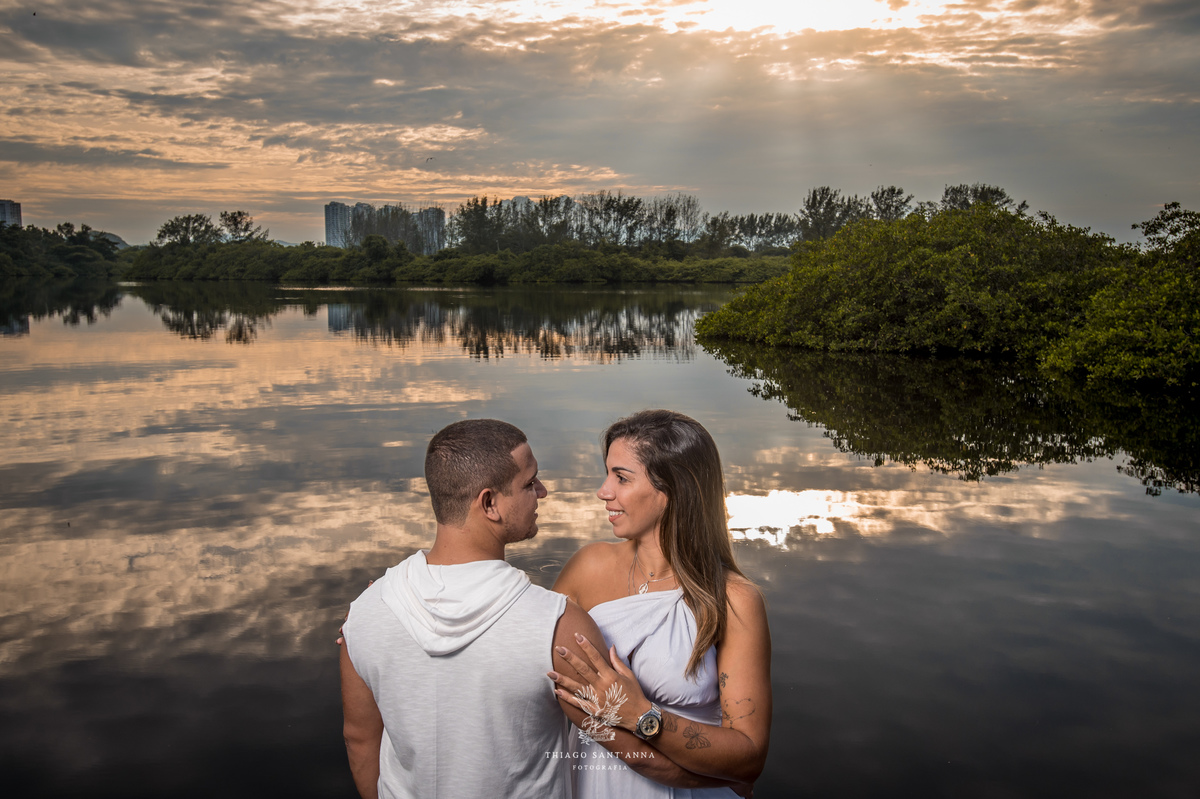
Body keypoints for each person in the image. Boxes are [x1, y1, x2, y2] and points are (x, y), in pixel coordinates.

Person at [339, 418, 736, 799]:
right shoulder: (557, 626)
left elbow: (359, 740)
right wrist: (721, 781)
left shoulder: (369, 612)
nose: (543, 492)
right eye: (529, 483)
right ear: (489, 503)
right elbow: (630, 754)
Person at [549, 410, 772, 798]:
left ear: (672, 489)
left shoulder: (734, 600)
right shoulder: (587, 568)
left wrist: (640, 714)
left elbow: (748, 756)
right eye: (608, 474)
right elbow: (548, 688)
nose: (604, 491)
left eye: (621, 478)